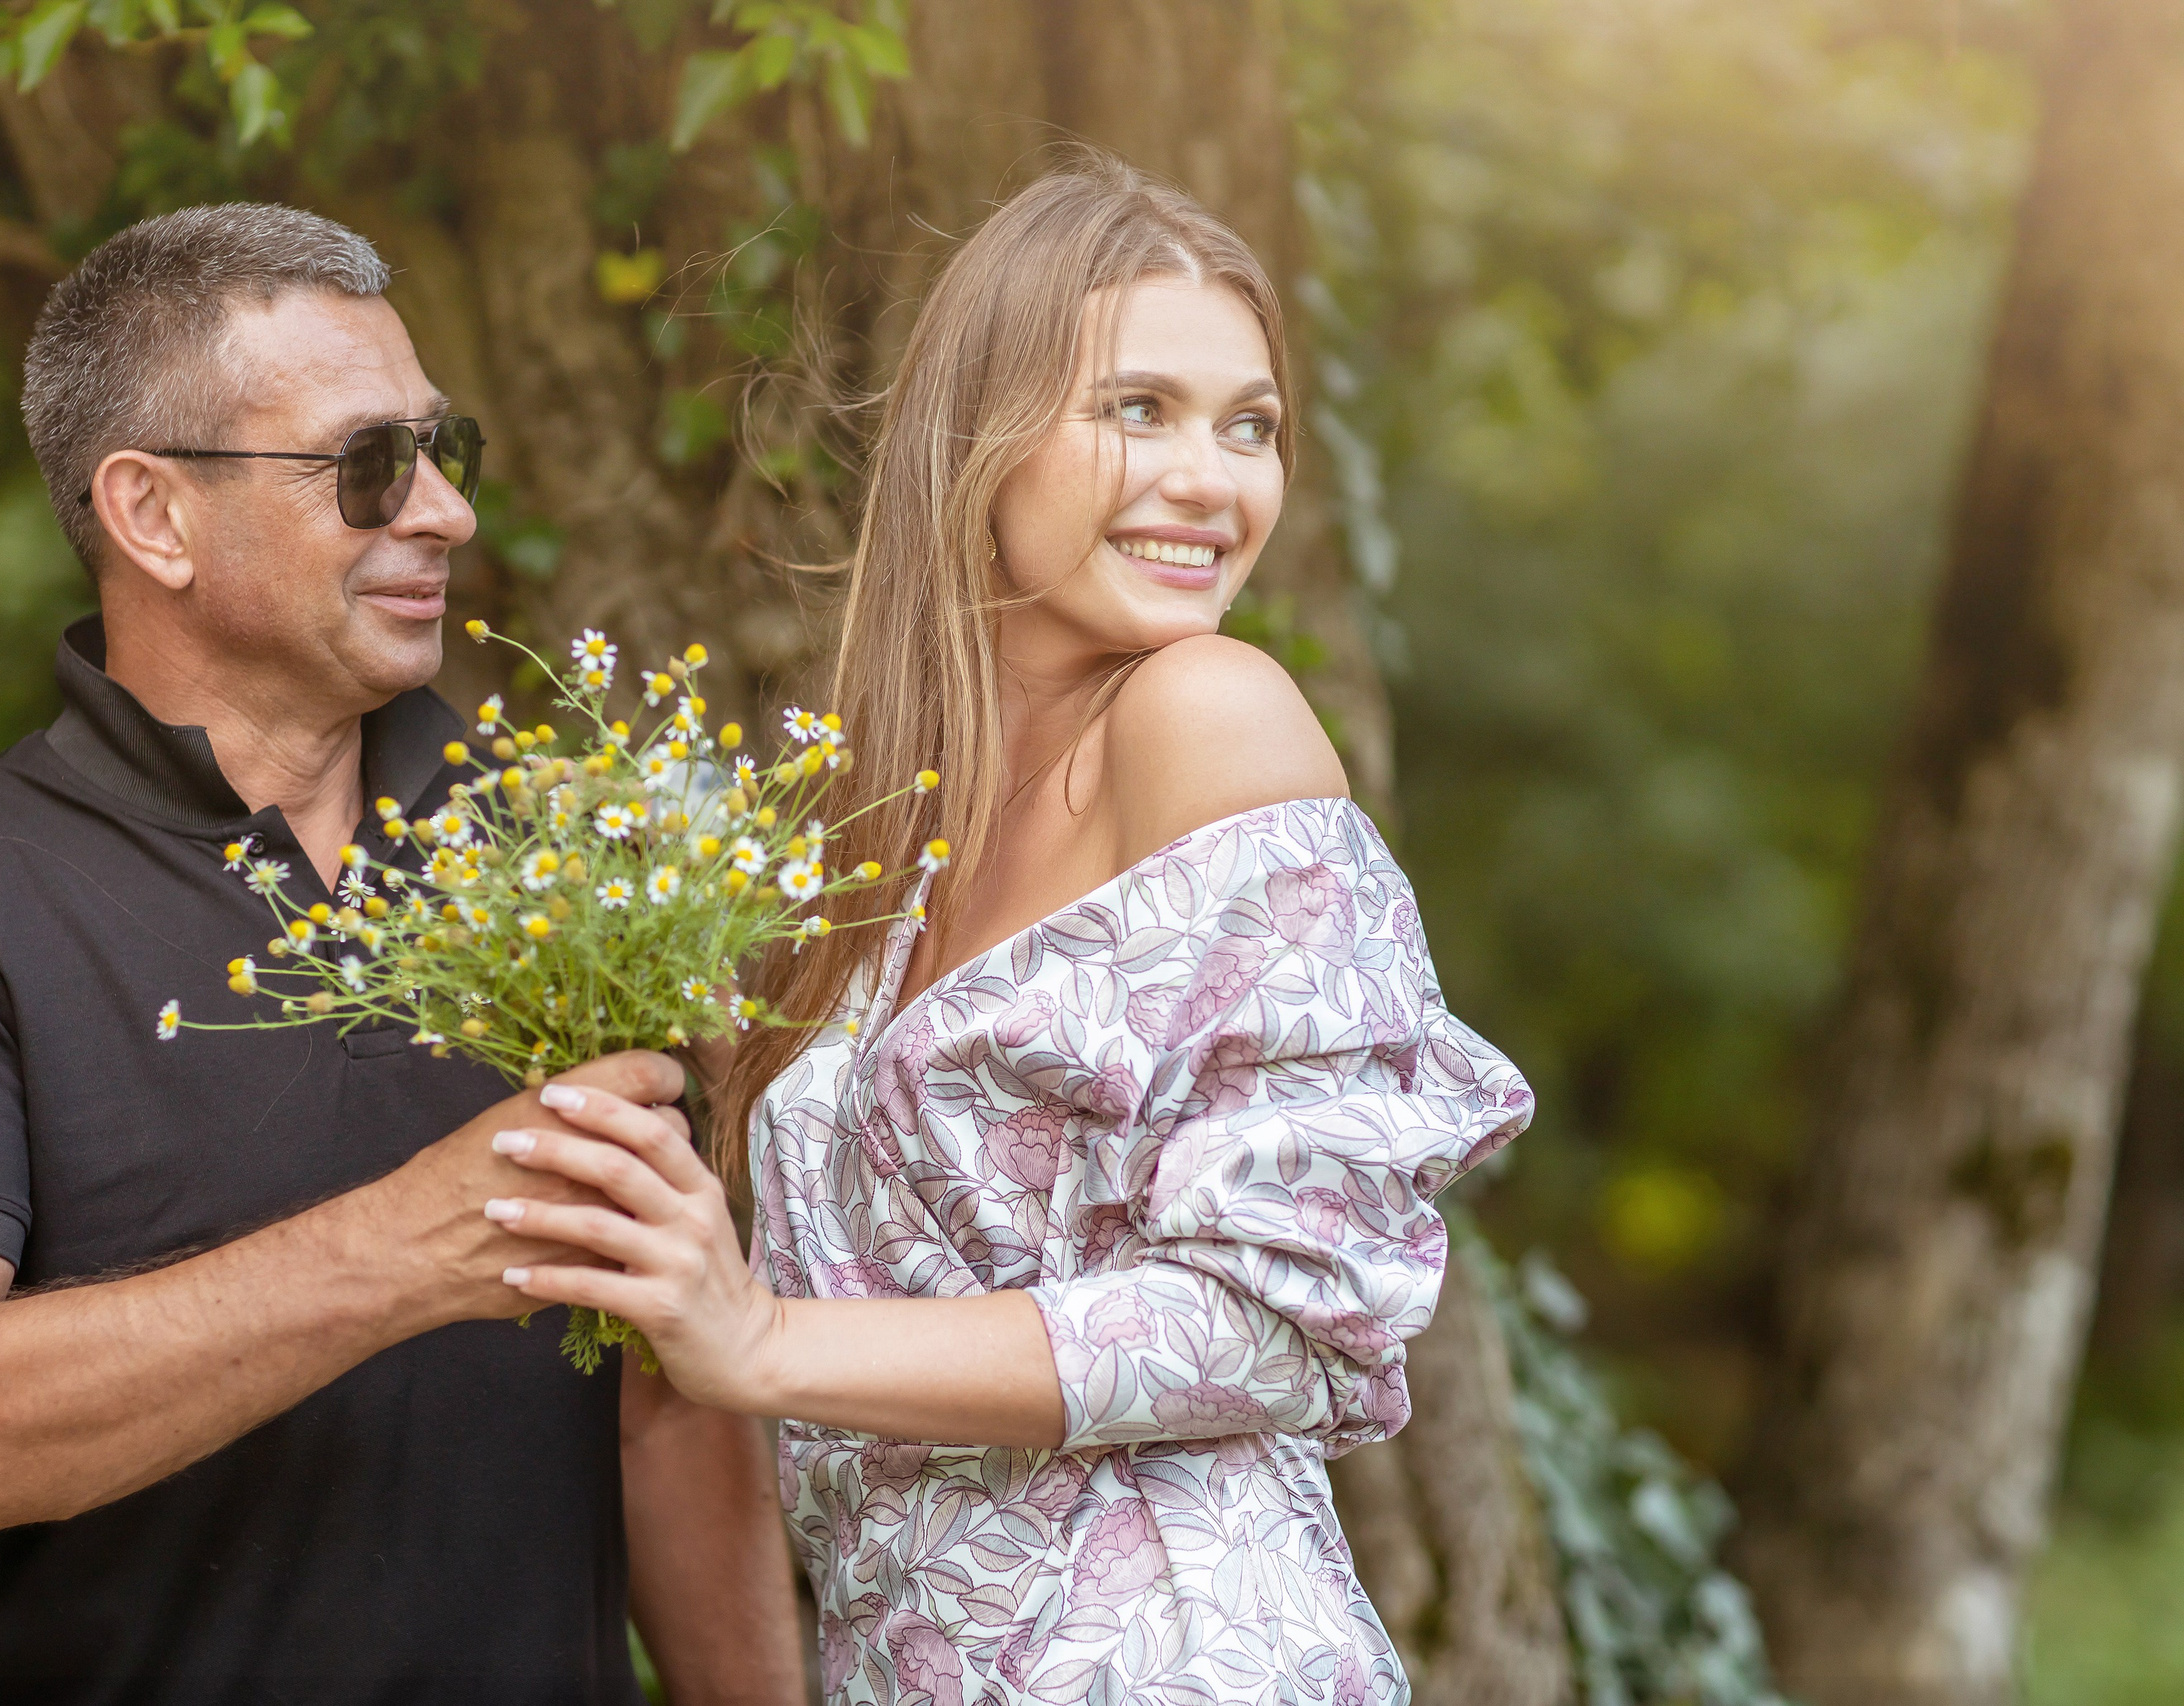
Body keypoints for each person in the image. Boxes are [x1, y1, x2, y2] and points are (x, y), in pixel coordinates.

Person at [474, 154, 1535, 1701]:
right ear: (977, 435)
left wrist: (763, 1341)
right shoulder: (877, 831)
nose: (1213, 479)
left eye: (1251, 425)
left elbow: (1283, 1316)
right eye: (1139, 409)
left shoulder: (1207, 718)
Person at [0, 204, 802, 1705]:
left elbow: (668, 1402)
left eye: (442, 446)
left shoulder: (575, 853)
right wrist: (406, 1247)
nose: (448, 512)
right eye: (371, 464)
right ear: (153, 516)